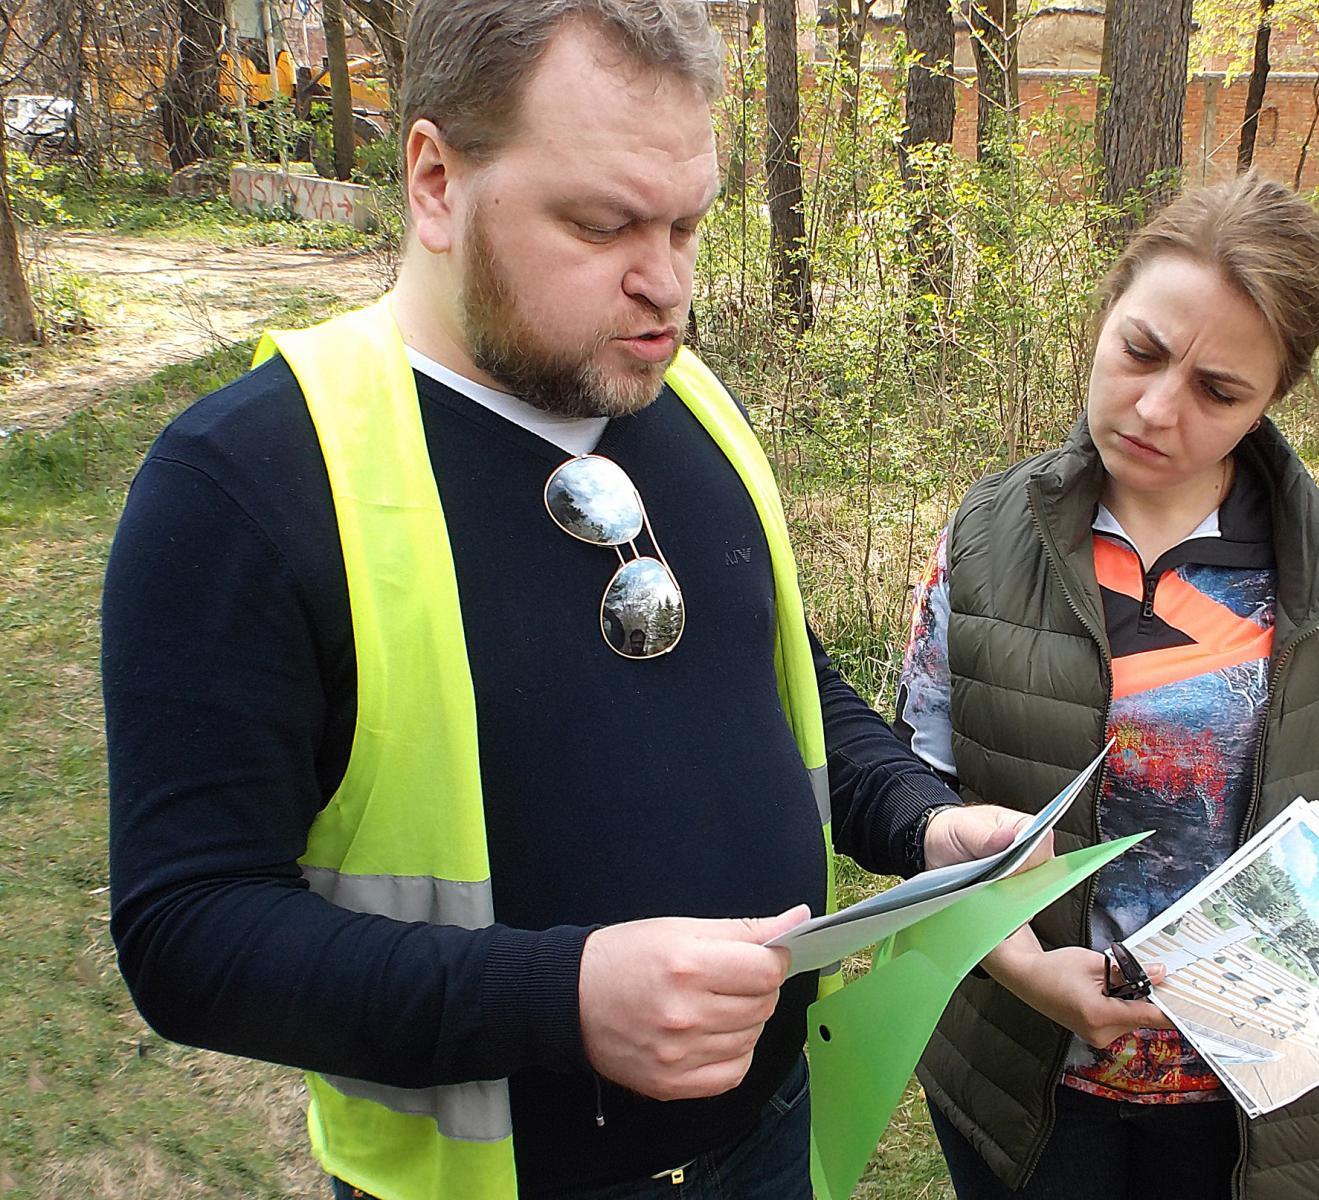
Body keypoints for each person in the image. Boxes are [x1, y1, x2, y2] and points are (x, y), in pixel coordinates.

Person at [101, 3, 1041, 1198]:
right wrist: (566, 1000)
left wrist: (917, 817)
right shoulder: (247, 483)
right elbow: (188, 933)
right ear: (435, 179)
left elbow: (775, 680)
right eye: (603, 226)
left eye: (689, 224)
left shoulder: (690, 406)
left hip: (770, 1140)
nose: (670, 288)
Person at [891, 174, 1319, 1199]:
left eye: (1218, 391)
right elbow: (918, 788)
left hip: (1262, 1100)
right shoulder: (986, 537)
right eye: (1140, 351)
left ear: (1275, 397)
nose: (1156, 408)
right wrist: (1019, 967)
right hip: (1025, 1079)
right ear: (1107, 313)